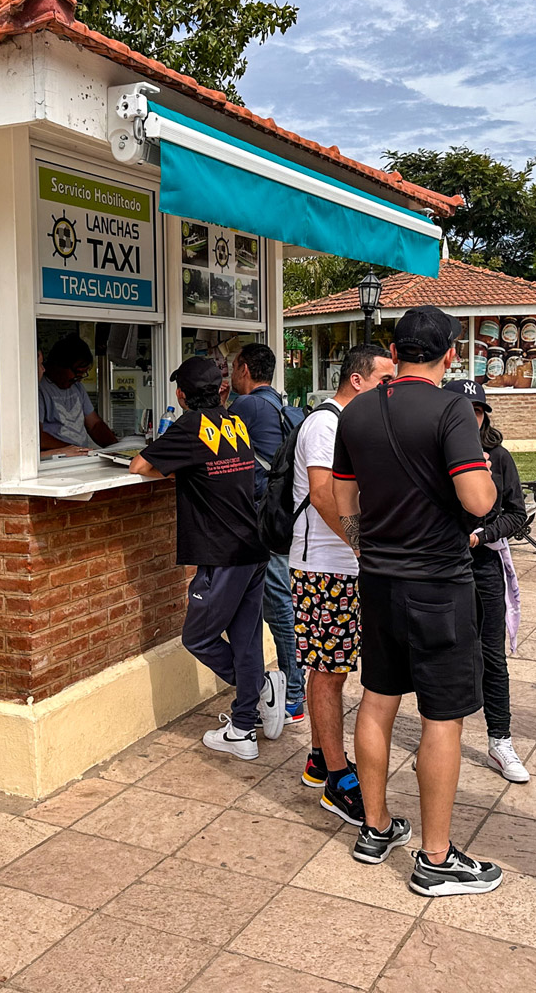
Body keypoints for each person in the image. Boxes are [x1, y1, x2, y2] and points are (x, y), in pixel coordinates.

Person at [333, 306, 504, 897]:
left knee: (378, 700)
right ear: (450, 355)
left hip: (377, 580)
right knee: (441, 717)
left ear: (397, 349)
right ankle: (435, 857)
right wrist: (487, 479)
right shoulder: (451, 407)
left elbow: (342, 497)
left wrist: (366, 549)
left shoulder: (355, 412)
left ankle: (374, 827)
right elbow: (478, 500)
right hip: (438, 583)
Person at [129, 357, 286, 758]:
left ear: (180, 395)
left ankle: (261, 689)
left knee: (197, 637)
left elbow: (140, 465)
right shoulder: (233, 421)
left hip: (223, 554)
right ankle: (243, 730)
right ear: (220, 390)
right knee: (247, 641)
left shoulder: (189, 427)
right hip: (252, 548)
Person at [291, 344, 396, 825]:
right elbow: (321, 493)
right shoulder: (325, 424)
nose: (389, 388)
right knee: (329, 672)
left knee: (332, 668)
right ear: (357, 380)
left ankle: (319, 755)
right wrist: (360, 543)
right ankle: (337, 778)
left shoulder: (356, 424)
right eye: (383, 379)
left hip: (347, 565)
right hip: (325, 566)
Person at [444, 379, 529, 784]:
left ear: (483, 415)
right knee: (447, 655)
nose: (470, 418)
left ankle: (500, 738)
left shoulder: (499, 456)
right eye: (462, 410)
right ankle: (440, 740)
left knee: (491, 657)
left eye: (476, 411)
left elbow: (517, 514)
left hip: (484, 565)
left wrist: (484, 534)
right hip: (442, 567)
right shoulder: (433, 452)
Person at [231, 342, 307, 722]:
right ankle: (292, 686)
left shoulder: (244, 406)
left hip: (264, 519)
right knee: (280, 600)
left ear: (244, 369)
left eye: (232, 367)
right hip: (286, 517)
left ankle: (294, 692)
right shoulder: (282, 404)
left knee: (278, 605)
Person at [39, 334, 118, 453]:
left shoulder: (77, 387)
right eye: (77, 372)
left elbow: (95, 425)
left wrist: (117, 448)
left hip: (79, 457)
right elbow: (37, 437)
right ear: (59, 365)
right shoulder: (40, 389)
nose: (79, 378)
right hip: (56, 460)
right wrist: (70, 449)